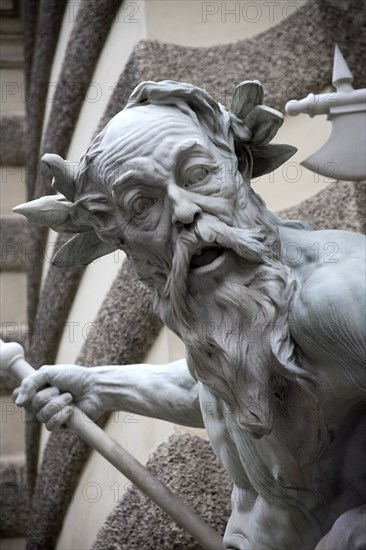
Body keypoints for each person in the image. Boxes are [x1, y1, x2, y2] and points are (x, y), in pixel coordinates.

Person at [13, 80, 366, 549]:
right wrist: (98, 385)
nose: (182, 210)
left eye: (197, 174)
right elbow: (220, 390)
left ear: (237, 166)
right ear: (121, 241)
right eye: (143, 205)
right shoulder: (225, 312)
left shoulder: (339, 298)